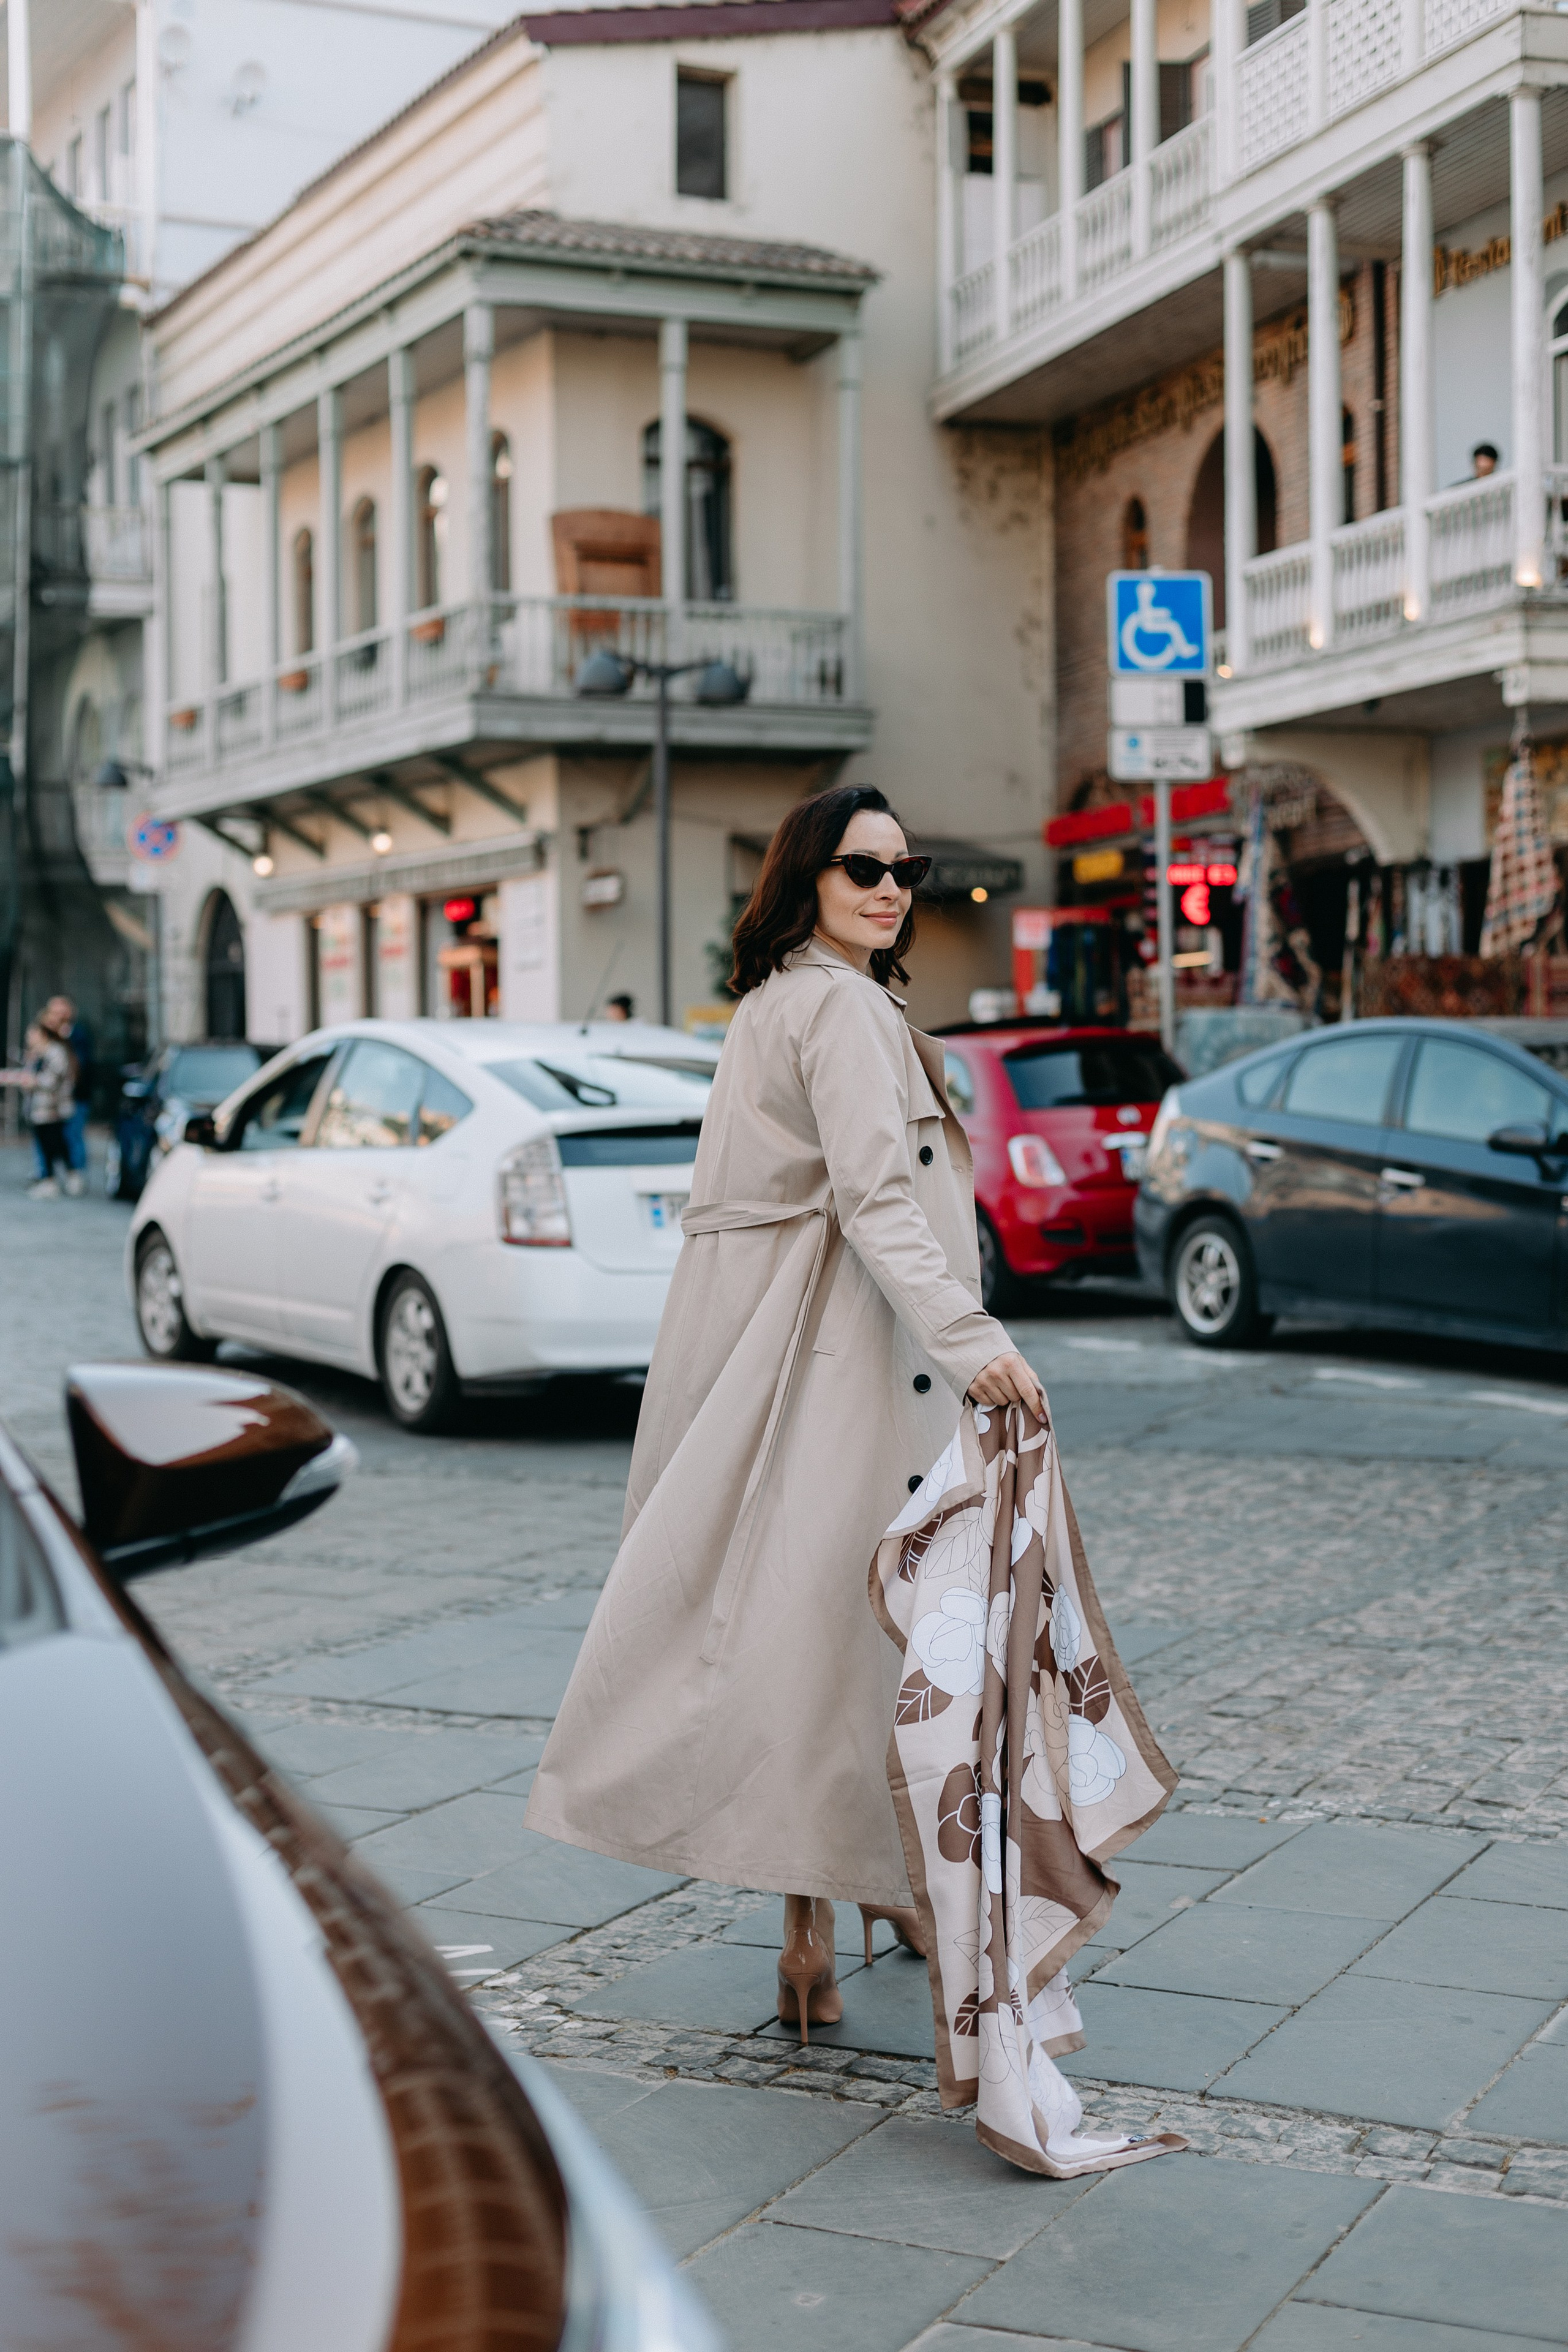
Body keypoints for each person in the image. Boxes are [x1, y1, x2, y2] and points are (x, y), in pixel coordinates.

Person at [527, 784, 1046, 2040]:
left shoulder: (773, 1004)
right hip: (844, 1365)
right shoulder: (841, 1010)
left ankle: (819, 1928)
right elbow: (874, 1202)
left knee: (803, 1628)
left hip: (770, 1356)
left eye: (903, 867)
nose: (888, 887)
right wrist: (974, 1345)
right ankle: (891, 1900)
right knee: (876, 1629)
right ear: (805, 878)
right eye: (860, 866)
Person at [1, 1019, 77, 1199]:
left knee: (56, 1144)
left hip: (52, 1109)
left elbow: (53, 1080)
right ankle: (52, 1179)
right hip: (40, 1109)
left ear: (42, 1035)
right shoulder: (36, 1054)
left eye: (32, 1034)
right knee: (48, 1145)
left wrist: (32, 1081)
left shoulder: (55, 1052)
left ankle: (63, 1178)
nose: (28, 1037)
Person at [45, 996, 89, 1194]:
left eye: (59, 1012)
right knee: (48, 1135)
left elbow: (82, 1065)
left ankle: (76, 1175)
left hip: (75, 1096)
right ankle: (47, 1174)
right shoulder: (46, 1036)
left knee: (73, 1135)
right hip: (52, 1097)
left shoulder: (78, 1035)